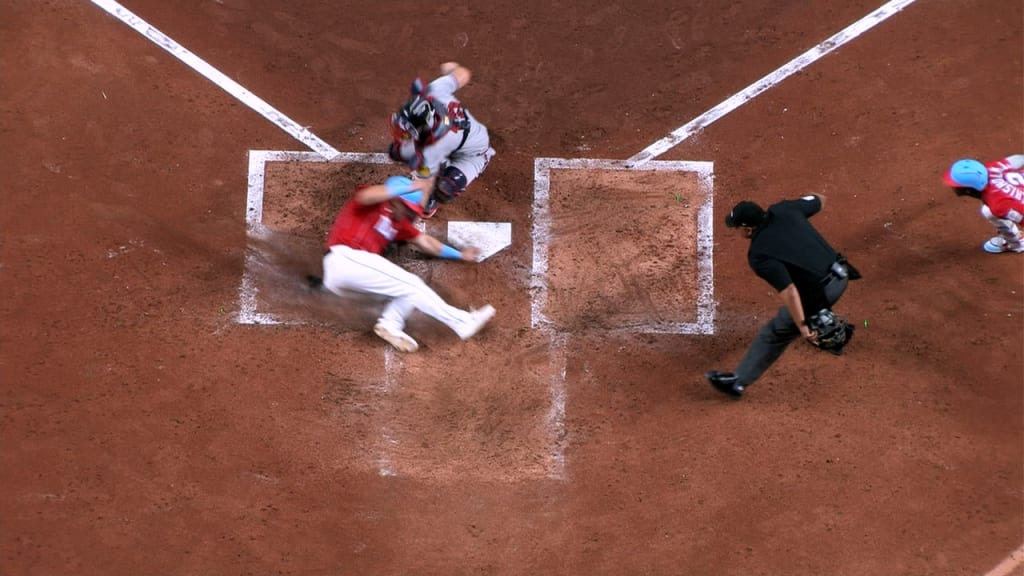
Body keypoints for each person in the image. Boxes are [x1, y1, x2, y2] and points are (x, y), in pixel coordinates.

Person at [706, 194, 861, 398]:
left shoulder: (759, 254)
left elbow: (790, 291)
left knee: (777, 330)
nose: (737, 231)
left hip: (821, 291)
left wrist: (803, 326)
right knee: (805, 279)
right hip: (842, 273)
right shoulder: (784, 210)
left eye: (737, 227)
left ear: (747, 229)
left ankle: (738, 383)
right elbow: (820, 199)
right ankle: (827, 327)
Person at [320, 175, 495, 352]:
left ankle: (390, 324)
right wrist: (411, 187)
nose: (412, 215)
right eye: (408, 209)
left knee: (407, 292)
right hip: (345, 259)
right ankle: (462, 322)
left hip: (349, 280)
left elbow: (425, 242)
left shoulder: (399, 224)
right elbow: (366, 195)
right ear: (395, 200)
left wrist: (460, 255)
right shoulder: (373, 203)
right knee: (413, 284)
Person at [388, 61, 496, 218]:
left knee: (443, 191)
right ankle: (439, 161)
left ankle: (444, 174)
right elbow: (463, 74)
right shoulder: (434, 91)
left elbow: (425, 184)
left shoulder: (432, 149)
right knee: (395, 151)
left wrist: (420, 198)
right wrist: (453, 68)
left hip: (473, 154)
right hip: (447, 141)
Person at [943, 155, 1024, 254]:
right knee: (988, 211)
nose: (954, 188)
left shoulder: (999, 204)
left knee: (988, 211)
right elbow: (1019, 158)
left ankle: (1018, 244)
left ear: (969, 189)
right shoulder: (991, 168)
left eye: (957, 186)